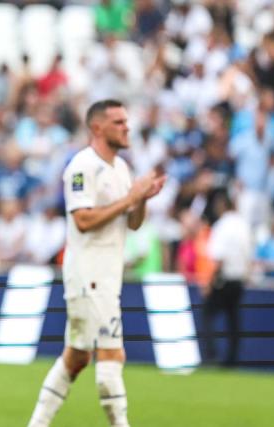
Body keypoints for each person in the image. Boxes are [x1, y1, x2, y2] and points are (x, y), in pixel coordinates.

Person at [27, 100, 166, 427]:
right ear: (97, 128)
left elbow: (132, 224)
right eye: (118, 121)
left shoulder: (120, 168)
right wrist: (131, 198)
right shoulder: (82, 166)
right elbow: (84, 221)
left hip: (106, 274)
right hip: (90, 275)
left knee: (76, 358)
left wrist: (141, 199)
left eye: (126, 121)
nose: (126, 127)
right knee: (112, 358)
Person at [203, 191, 253, 366]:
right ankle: (232, 359)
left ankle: (211, 355)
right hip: (238, 279)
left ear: (222, 206)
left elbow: (219, 257)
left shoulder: (222, 225)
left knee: (208, 314)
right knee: (234, 320)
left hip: (223, 279)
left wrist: (210, 282)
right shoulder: (243, 225)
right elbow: (249, 254)